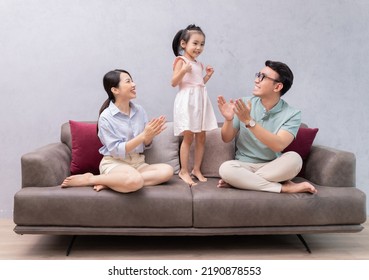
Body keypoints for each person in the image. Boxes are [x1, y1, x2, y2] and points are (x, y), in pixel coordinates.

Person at [62, 69, 174, 193]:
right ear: (115, 90)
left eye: (132, 81)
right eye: (128, 81)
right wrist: (143, 136)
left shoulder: (139, 111)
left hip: (137, 163)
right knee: (134, 181)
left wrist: (149, 135)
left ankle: (112, 182)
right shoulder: (106, 117)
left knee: (167, 171)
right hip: (115, 163)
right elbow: (116, 150)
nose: (134, 84)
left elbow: (144, 143)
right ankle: (91, 179)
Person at [217, 60, 317, 194]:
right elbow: (226, 138)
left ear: (277, 87)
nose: (256, 80)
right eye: (258, 75)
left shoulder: (292, 114)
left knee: (295, 159)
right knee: (226, 169)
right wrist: (228, 120)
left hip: (273, 166)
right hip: (244, 165)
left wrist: (249, 121)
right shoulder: (244, 103)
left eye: (262, 77)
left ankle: (245, 182)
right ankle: (283, 187)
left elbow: (278, 145)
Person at [171, 24, 218, 186]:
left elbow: (198, 83)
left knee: (202, 136)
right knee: (188, 136)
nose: (199, 47)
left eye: (202, 44)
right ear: (184, 44)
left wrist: (207, 76)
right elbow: (174, 82)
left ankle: (196, 169)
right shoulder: (181, 60)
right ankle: (184, 170)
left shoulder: (198, 64)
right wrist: (183, 70)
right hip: (187, 101)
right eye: (195, 43)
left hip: (200, 100)